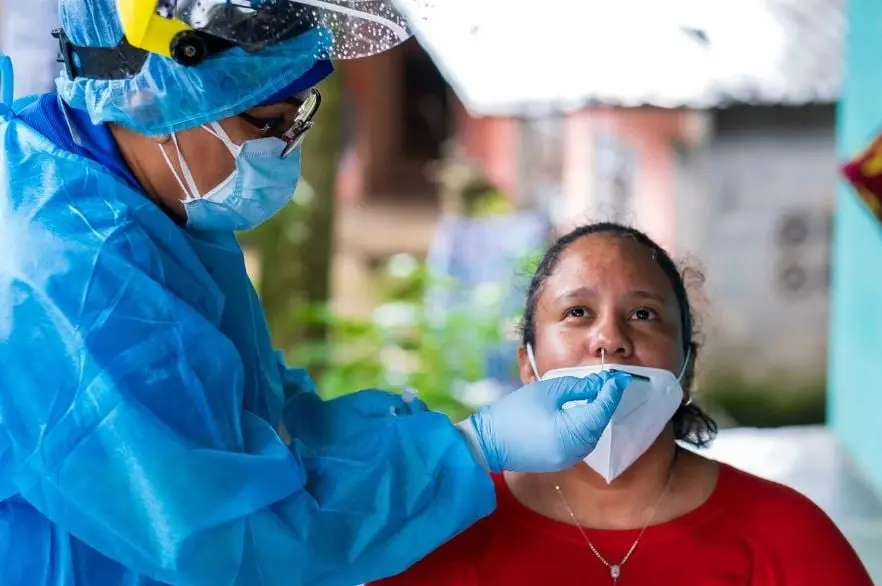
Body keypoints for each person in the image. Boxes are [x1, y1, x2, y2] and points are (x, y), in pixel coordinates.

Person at [0, 2, 632, 586]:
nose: (286, 147)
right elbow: (236, 540)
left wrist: (450, 441)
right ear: (151, 95)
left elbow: (260, 430)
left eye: (301, 117)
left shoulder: (138, 203)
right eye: (268, 121)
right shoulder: (75, 277)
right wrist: (469, 450)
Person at [372, 222, 874, 586]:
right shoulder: (446, 532)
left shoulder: (786, 534)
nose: (609, 339)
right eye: (577, 312)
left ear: (686, 366)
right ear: (528, 365)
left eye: (643, 313)